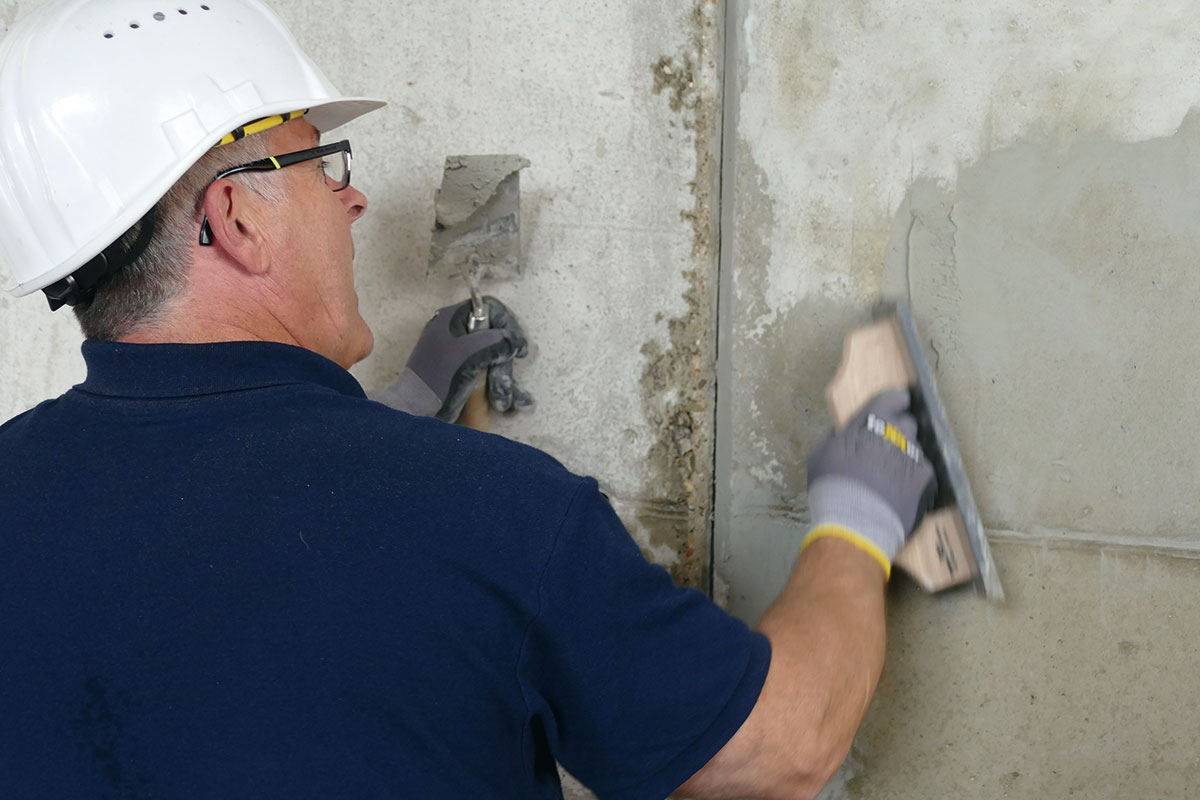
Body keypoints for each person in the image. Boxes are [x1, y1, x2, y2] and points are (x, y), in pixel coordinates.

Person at [0, 1, 935, 798]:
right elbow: (779, 752)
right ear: (237, 219)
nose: (354, 199)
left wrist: (393, 416)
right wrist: (858, 522)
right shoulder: (498, 515)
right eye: (321, 164)